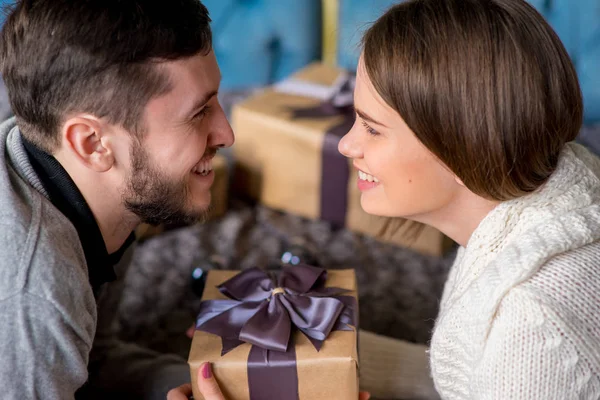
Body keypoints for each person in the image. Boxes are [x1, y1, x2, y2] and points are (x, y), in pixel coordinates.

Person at [188, 0, 600, 399]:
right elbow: (477, 376)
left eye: (372, 129)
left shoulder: (531, 326)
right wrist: (298, 359)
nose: (347, 145)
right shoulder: (546, 206)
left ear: (463, 148)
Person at [0, 0, 234, 398]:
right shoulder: (37, 296)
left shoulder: (92, 187)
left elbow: (91, 359)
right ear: (92, 143)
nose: (227, 134)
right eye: (198, 114)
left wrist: (196, 384)